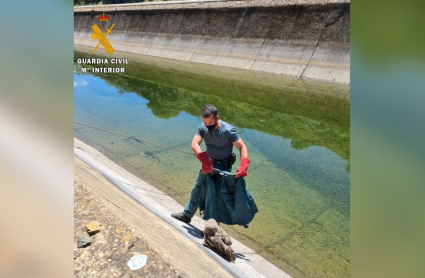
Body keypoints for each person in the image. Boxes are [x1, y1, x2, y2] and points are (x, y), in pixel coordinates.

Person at [171, 104, 250, 224]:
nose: (208, 126)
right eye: (205, 123)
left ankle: (212, 227)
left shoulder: (228, 130)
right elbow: (194, 144)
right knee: (197, 189)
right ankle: (187, 215)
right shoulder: (203, 127)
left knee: (216, 197)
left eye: (210, 123)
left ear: (217, 118)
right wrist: (204, 159)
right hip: (208, 164)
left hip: (224, 167)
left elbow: (242, 147)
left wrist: (243, 165)